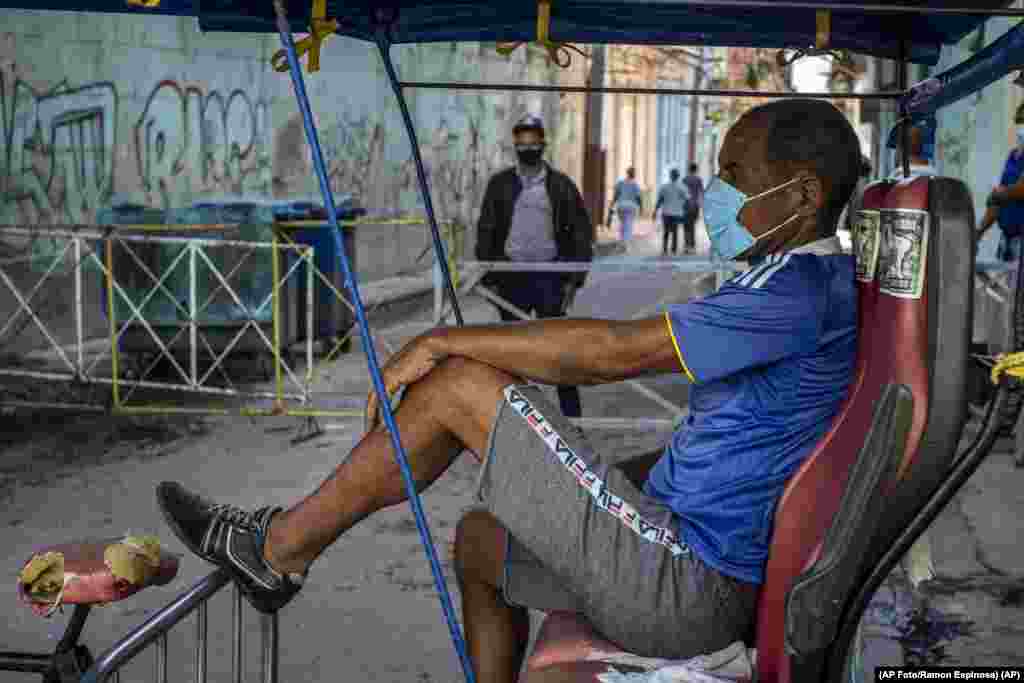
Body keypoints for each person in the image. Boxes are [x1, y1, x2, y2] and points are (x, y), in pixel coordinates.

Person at [155, 98, 862, 683]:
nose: (718, 192)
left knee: (459, 383)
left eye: (735, 174)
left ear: (803, 194)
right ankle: (280, 547)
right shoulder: (792, 282)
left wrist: (443, 338)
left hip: (687, 584)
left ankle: (277, 548)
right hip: (680, 558)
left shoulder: (796, 293)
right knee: (480, 541)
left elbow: (614, 354)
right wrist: (602, 478)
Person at [473, 113, 593, 418]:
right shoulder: (500, 185)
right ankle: (514, 419)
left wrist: (574, 280)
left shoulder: (561, 186)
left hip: (549, 277)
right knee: (511, 354)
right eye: (522, 143)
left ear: (543, 144)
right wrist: (488, 277)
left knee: (557, 350)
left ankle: (573, 419)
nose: (527, 148)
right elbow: (486, 229)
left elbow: (581, 234)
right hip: (510, 277)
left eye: (533, 142)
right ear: (515, 146)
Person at [977, 103, 1024, 263]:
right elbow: (998, 200)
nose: (1021, 128)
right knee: (1001, 278)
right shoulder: (1013, 156)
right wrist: (979, 231)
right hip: (1008, 238)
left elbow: (1019, 190)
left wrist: (1000, 193)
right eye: (1020, 122)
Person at [655, 168, 691, 255]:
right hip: (677, 213)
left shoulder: (664, 187)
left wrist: (655, 211)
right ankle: (673, 249)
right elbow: (687, 200)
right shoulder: (682, 187)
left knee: (666, 231)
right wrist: (687, 210)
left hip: (666, 212)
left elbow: (660, 200)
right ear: (678, 176)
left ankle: (664, 249)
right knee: (675, 231)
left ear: (670, 176)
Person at [610, 167, 643, 241]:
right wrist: (641, 207)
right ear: (634, 174)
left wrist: (612, 204)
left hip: (621, 206)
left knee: (623, 223)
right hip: (631, 206)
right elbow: (638, 197)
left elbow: (616, 195)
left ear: (627, 173)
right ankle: (625, 241)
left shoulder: (620, 182)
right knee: (628, 224)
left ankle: (621, 239)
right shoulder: (635, 184)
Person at [682, 163, 705, 254]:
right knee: (692, 226)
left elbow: (682, 193)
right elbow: (702, 192)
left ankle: (686, 246)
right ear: (696, 170)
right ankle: (692, 246)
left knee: (686, 226)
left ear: (689, 169)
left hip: (686, 205)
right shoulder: (698, 180)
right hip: (695, 206)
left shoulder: (684, 179)